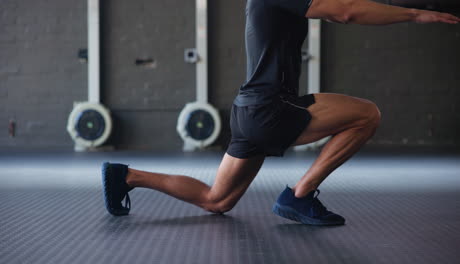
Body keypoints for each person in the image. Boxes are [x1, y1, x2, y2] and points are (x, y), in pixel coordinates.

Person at [101, 0, 459, 225]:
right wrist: (414, 13)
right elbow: (346, 11)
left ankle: (127, 175)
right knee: (368, 115)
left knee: (217, 200)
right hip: (270, 108)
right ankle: (300, 195)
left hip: (250, 111)